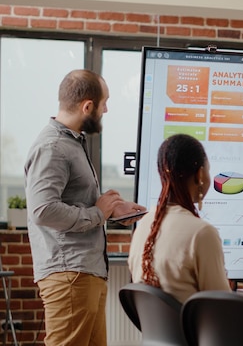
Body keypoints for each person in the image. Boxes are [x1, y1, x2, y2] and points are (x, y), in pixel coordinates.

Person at [24, 69, 146, 345]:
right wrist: (98, 213)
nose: (106, 110)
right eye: (104, 103)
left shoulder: (72, 143)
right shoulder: (53, 147)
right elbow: (42, 210)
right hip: (70, 275)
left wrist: (112, 210)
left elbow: (71, 200)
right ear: (87, 106)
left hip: (84, 272)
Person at [128, 133, 230, 303]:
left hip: (154, 330)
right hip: (194, 329)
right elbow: (222, 305)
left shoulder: (144, 225)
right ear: (200, 175)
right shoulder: (202, 233)